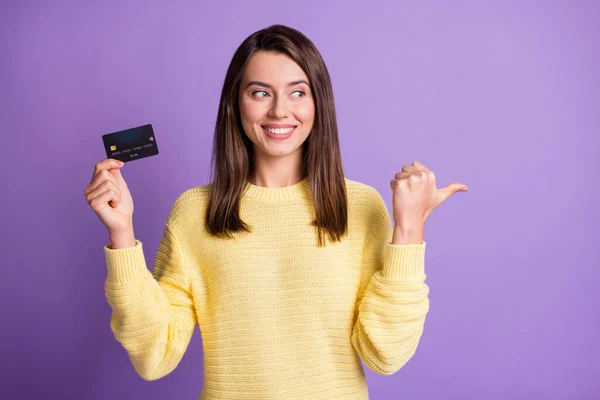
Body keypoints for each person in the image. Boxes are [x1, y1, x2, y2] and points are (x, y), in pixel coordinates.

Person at [84, 24, 467, 400]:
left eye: (297, 92)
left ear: (319, 103)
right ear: (236, 102)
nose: (280, 111)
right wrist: (122, 235)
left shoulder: (361, 207)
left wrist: (410, 228)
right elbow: (155, 357)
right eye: (261, 92)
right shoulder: (193, 212)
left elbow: (386, 355)